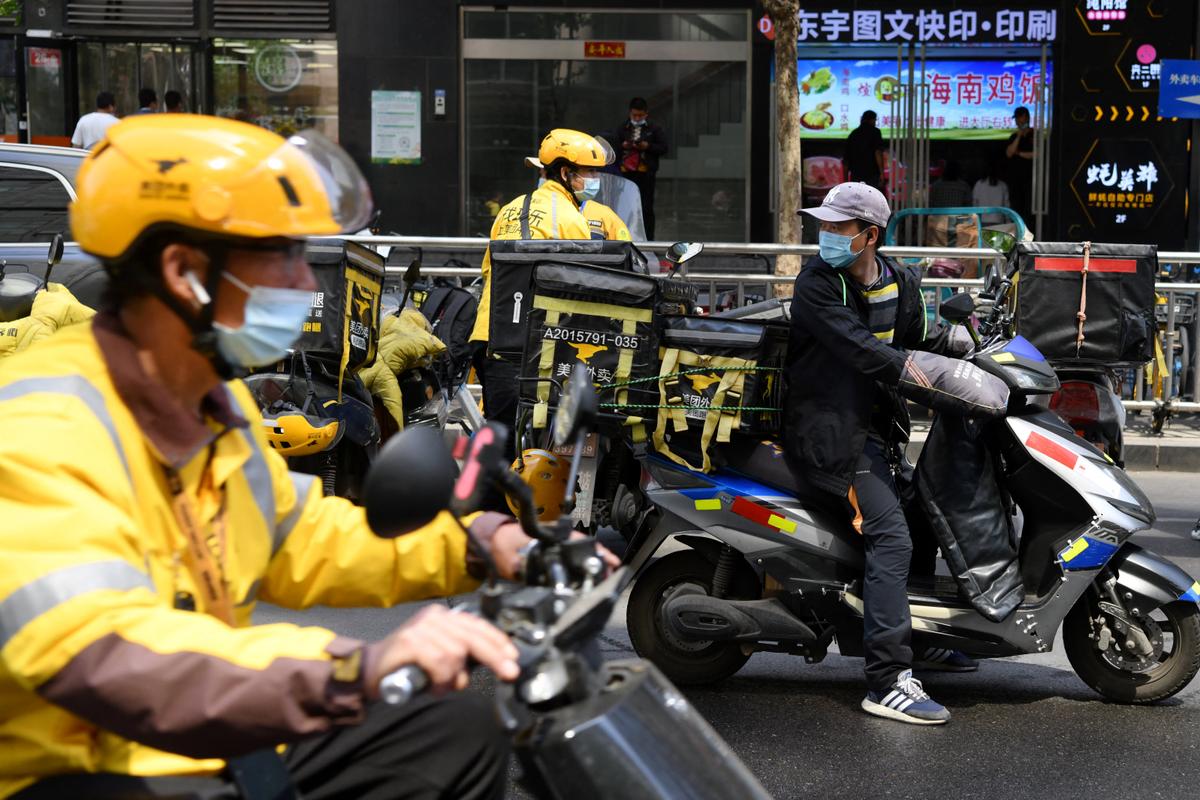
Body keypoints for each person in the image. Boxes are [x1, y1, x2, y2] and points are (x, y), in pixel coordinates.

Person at [0, 114, 571, 799]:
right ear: (184, 272)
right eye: (281, 257)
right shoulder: (41, 427)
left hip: (192, 736)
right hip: (80, 766)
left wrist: (479, 543)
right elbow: (102, 653)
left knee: (451, 730)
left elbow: (294, 535)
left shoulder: (211, 401)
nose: (304, 283)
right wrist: (353, 667)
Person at [786, 182, 982, 726]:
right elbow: (862, 349)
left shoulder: (901, 281)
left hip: (877, 429)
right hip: (832, 433)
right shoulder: (817, 284)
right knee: (892, 537)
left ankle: (916, 636)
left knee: (926, 515)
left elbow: (919, 337)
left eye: (837, 226)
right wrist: (921, 372)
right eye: (823, 225)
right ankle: (888, 679)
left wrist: (966, 347)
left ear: (869, 235)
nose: (825, 234)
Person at [468, 129, 608, 441]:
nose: (595, 179)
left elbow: (489, 269)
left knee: (501, 436)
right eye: (590, 171)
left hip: (490, 336)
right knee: (539, 439)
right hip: (535, 343)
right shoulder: (571, 218)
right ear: (565, 173)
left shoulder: (510, 208)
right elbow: (580, 284)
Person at [616, 98, 667, 239]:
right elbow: (613, 147)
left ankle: (648, 240)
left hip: (646, 174)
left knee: (646, 208)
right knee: (626, 207)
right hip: (626, 174)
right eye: (634, 115)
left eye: (640, 115)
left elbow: (664, 148)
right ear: (630, 113)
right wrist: (623, 146)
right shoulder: (623, 128)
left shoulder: (654, 128)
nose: (637, 118)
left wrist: (647, 146)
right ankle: (625, 237)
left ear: (646, 114)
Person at [1005, 106, 1035, 224]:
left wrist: (1019, 153)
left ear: (1026, 118)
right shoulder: (1014, 137)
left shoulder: (1035, 135)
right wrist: (1018, 135)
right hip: (1015, 180)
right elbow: (1009, 153)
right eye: (1016, 118)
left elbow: (1036, 155)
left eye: (1019, 118)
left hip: (1030, 179)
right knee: (1016, 209)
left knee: (1029, 210)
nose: (1017, 121)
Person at [843, 110, 886, 189]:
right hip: (872, 174)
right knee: (872, 195)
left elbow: (846, 160)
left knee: (856, 196)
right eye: (875, 120)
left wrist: (845, 180)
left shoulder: (853, 134)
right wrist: (882, 173)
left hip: (856, 174)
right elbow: (878, 153)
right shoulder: (875, 132)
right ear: (872, 120)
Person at [972, 159, 1010, 224]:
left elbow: (975, 203)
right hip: (998, 221)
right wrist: (1008, 221)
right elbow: (1006, 205)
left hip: (983, 221)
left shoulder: (979, 184)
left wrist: (975, 220)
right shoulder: (1003, 185)